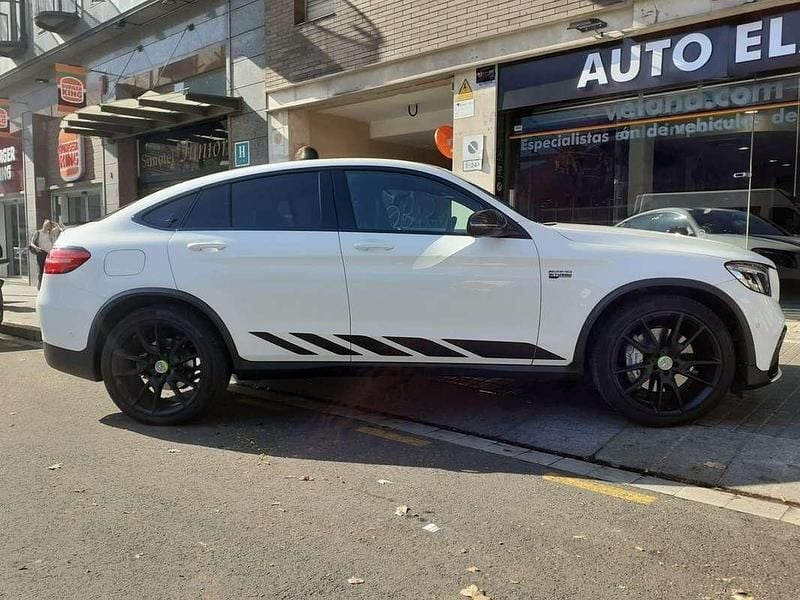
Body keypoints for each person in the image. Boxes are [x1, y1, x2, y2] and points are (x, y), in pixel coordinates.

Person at [30, 220, 62, 289]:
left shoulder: (49, 233)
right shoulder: (38, 232)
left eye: (48, 225)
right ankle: (40, 286)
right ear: (43, 224)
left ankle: (46, 285)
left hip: (49, 254)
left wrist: (53, 223)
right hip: (41, 253)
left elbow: (58, 227)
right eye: (45, 224)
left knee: (48, 270)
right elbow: (31, 243)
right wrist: (36, 248)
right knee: (41, 270)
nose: (46, 226)